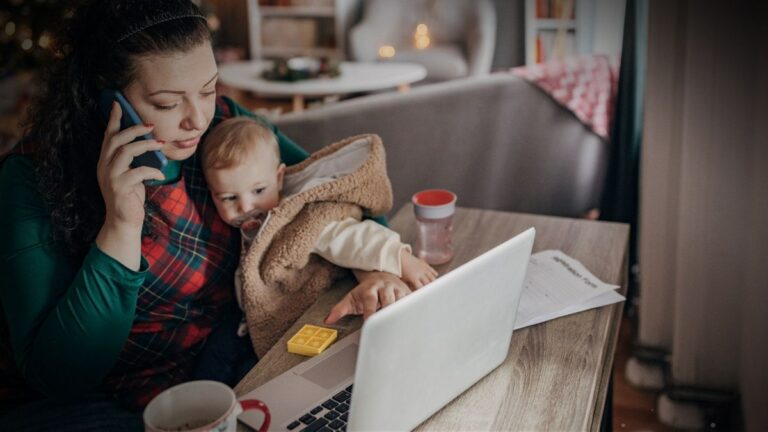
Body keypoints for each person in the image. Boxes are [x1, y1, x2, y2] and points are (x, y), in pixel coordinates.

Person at [0, 1, 414, 429]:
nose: (198, 120)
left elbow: (335, 194)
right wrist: (120, 225)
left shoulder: (227, 131)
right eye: (166, 103)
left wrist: (374, 272)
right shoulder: (33, 178)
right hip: (97, 401)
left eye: (207, 89)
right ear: (107, 100)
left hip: (223, 359)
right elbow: (62, 377)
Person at [194, 117, 437, 382]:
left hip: (293, 315)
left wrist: (399, 257)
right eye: (229, 197)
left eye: (258, 190)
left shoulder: (297, 219)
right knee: (211, 361)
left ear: (279, 178)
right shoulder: (249, 223)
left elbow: (348, 236)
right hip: (243, 319)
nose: (245, 206)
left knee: (248, 375)